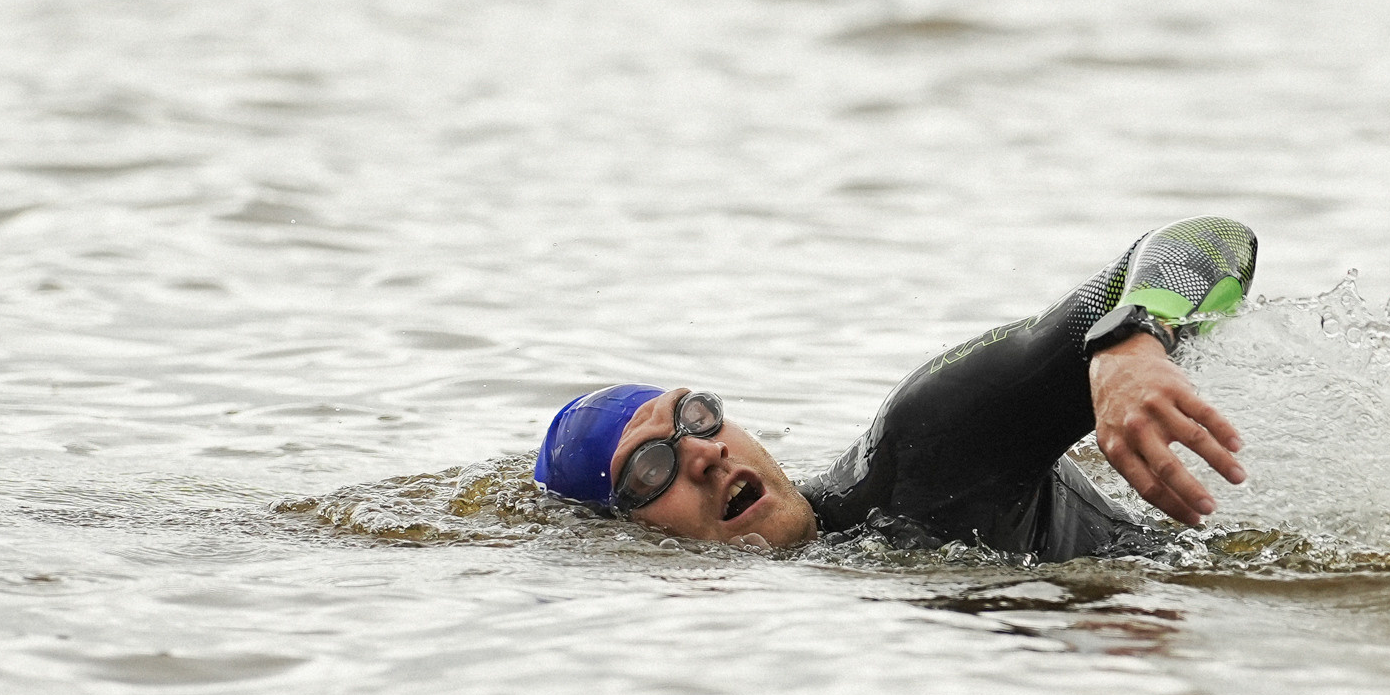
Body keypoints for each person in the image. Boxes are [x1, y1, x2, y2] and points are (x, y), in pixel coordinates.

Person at [532, 217, 1258, 559]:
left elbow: (1212, 239)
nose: (705, 456)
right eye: (652, 468)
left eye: (697, 417)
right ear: (627, 542)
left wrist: (1131, 340)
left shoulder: (930, 446)